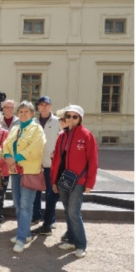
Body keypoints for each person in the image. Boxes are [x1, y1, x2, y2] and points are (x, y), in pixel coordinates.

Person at [51, 105, 96, 258]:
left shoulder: (86, 135)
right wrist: (53, 180)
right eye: (68, 116)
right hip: (63, 179)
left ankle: (81, 244)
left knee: (73, 212)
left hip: (78, 180)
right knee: (67, 211)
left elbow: (93, 160)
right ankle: (71, 239)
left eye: (74, 116)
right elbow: (57, 159)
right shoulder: (62, 135)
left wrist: (90, 183)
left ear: (80, 118)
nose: (70, 119)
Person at [2, 100, 45, 254]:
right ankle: (25, 233)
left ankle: (21, 239)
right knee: (17, 204)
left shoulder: (37, 129)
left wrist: (16, 159)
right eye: (21, 111)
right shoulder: (15, 129)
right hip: (15, 172)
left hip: (29, 172)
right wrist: (8, 159)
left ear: (32, 113)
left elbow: (35, 149)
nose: (23, 114)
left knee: (26, 205)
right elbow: (6, 145)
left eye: (26, 111)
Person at [31, 96, 60, 236]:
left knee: (51, 193)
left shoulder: (57, 122)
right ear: (38, 107)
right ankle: (36, 216)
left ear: (51, 106)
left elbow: (62, 139)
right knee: (36, 191)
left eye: (46, 105)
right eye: (41, 105)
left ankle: (50, 219)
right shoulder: (33, 122)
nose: (44, 107)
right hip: (36, 163)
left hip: (51, 163)